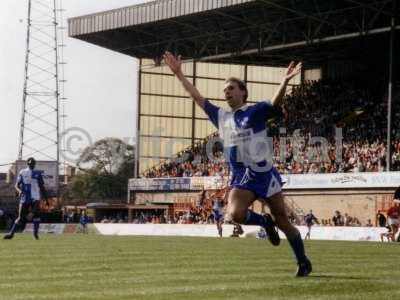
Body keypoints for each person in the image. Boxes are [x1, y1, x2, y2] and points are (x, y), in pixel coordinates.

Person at [164, 52, 311, 276]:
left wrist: (285, 81)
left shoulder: (255, 111)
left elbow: (274, 103)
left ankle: (302, 262)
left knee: (283, 220)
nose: (227, 92)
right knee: (234, 214)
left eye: (231, 88)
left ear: (243, 92)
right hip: (242, 176)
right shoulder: (220, 116)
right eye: (225, 90)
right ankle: (264, 222)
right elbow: (196, 97)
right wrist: (179, 74)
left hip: (264, 173)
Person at [4, 157, 48, 240]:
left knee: (36, 215)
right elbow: (16, 185)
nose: (31, 164)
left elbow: (42, 187)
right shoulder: (22, 172)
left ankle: (35, 234)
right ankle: (11, 233)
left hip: (35, 197)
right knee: (20, 217)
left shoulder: (38, 173)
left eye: (33, 163)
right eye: (30, 163)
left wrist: (46, 199)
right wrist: (19, 191)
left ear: (34, 164)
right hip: (25, 197)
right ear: (27, 163)